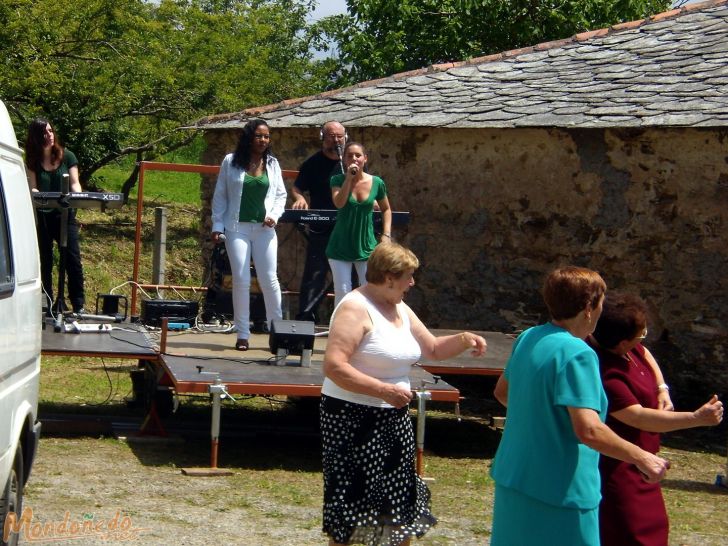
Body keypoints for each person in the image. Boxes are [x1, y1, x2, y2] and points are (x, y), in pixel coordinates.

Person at [490, 266, 670, 546]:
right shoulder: (578, 354)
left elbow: (503, 393)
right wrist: (642, 457)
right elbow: (589, 430)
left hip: (516, 477)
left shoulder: (529, 338)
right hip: (560, 489)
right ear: (588, 308)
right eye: (601, 302)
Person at [321, 242, 487, 546]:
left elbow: (433, 349)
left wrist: (464, 339)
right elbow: (334, 367)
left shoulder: (399, 307)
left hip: (393, 416)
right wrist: (382, 390)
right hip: (352, 418)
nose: (412, 283)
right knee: (352, 508)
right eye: (408, 276)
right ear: (388, 277)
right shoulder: (355, 308)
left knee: (399, 503)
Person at [588, 292, 723, 546]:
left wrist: (662, 387)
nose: (642, 338)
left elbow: (645, 353)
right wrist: (696, 418)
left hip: (646, 465)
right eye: (639, 334)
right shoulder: (605, 371)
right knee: (630, 534)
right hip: (620, 470)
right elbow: (638, 417)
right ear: (620, 342)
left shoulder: (630, 349)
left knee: (655, 529)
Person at [211, 119, 287, 350]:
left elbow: (280, 195)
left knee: (269, 280)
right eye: (258, 136)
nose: (263, 140)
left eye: (266, 136)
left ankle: (278, 332)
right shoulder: (230, 162)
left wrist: (274, 215)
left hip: (264, 230)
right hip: (237, 228)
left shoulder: (272, 163)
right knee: (242, 280)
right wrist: (217, 225)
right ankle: (243, 333)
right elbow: (221, 195)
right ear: (248, 138)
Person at [24, 117, 86, 314]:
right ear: (36, 137)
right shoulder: (33, 160)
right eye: (44, 133)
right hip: (43, 216)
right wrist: (39, 197)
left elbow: (75, 183)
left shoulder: (67, 156)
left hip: (65, 216)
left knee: (72, 259)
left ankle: (78, 304)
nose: (49, 135)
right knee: (45, 259)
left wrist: (75, 198)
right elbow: (33, 187)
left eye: (51, 131)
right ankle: (47, 302)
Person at [291, 121, 346, 322]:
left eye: (340, 136)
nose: (336, 140)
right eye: (332, 136)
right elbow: (297, 188)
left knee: (353, 277)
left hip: (348, 227)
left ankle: (350, 319)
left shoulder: (349, 163)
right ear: (323, 137)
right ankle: (305, 317)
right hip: (321, 227)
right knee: (315, 274)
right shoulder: (313, 163)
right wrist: (300, 198)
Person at [326, 141, 392, 307]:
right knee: (342, 290)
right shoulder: (337, 180)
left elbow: (386, 209)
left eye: (358, 155)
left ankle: (367, 329)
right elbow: (339, 203)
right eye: (349, 156)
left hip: (365, 245)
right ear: (345, 161)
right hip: (340, 245)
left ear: (365, 159)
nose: (354, 158)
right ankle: (342, 330)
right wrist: (348, 179)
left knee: (369, 290)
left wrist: (386, 234)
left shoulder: (377, 182)